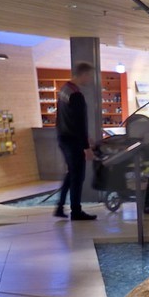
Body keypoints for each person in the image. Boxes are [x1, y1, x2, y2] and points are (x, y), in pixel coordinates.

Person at [54, 65, 96, 221]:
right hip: (74, 141)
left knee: (71, 173)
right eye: (89, 76)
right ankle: (76, 211)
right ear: (83, 74)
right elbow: (79, 123)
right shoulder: (76, 95)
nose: (90, 79)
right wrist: (86, 147)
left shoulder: (64, 90)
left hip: (63, 137)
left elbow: (65, 119)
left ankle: (59, 206)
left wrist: (86, 138)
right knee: (77, 176)